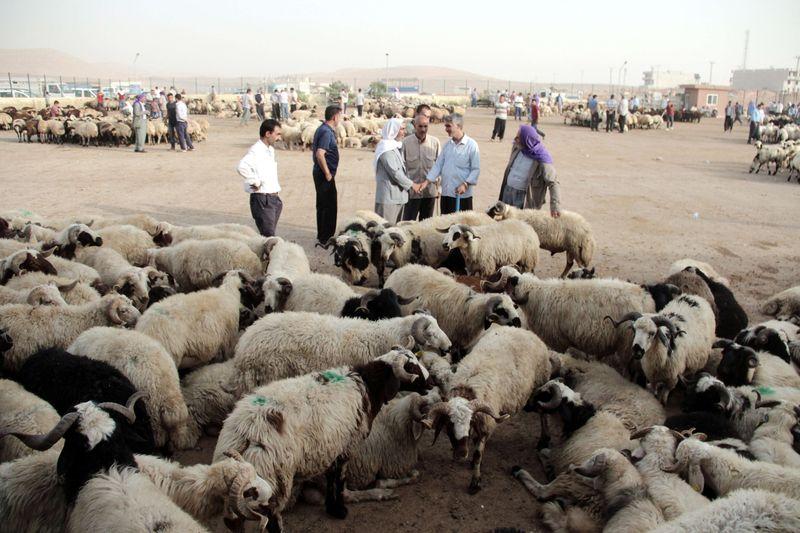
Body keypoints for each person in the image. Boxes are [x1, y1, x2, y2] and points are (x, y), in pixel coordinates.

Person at [498, 125, 561, 217]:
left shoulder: (542, 158)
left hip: (523, 197)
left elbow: (553, 183)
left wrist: (555, 206)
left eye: (518, 137)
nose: (515, 139)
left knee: (519, 226)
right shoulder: (518, 148)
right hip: (507, 192)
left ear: (526, 139)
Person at [425, 113, 480, 214]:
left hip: (462, 196)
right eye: (445, 126)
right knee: (445, 225)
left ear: (458, 126)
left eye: (448, 126)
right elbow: (438, 165)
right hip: (446, 194)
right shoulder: (447, 145)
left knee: (461, 226)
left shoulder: (471, 145)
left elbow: (475, 169)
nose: (446, 129)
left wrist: (465, 184)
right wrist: (427, 181)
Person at [238, 119, 284, 237]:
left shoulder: (270, 150)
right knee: (268, 237)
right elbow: (241, 167)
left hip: (273, 198)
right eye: (277, 134)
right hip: (263, 198)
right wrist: (255, 181)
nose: (279, 138)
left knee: (269, 234)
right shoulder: (256, 150)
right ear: (268, 134)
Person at [373, 118, 418, 223]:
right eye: (401, 129)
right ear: (394, 130)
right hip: (388, 199)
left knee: (395, 232)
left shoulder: (394, 146)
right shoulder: (385, 150)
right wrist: (412, 185)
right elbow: (395, 173)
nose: (404, 132)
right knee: (385, 232)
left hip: (397, 197)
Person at [402, 111, 441, 221]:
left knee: (426, 226)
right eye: (420, 126)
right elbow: (402, 168)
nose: (423, 129)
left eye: (425, 126)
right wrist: (408, 185)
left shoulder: (435, 143)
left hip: (429, 193)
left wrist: (439, 188)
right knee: (408, 224)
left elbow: (439, 167)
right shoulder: (405, 143)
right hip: (412, 193)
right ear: (414, 125)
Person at [312, 105, 341, 244]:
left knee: (323, 204)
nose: (340, 119)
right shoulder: (326, 132)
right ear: (335, 117)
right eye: (339, 116)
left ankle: (322, 234)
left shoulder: (323, 129)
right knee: (328, 205)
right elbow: (320, 153)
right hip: (324, 174)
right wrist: (328, 173)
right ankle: (326, 236)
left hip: (321, 173)